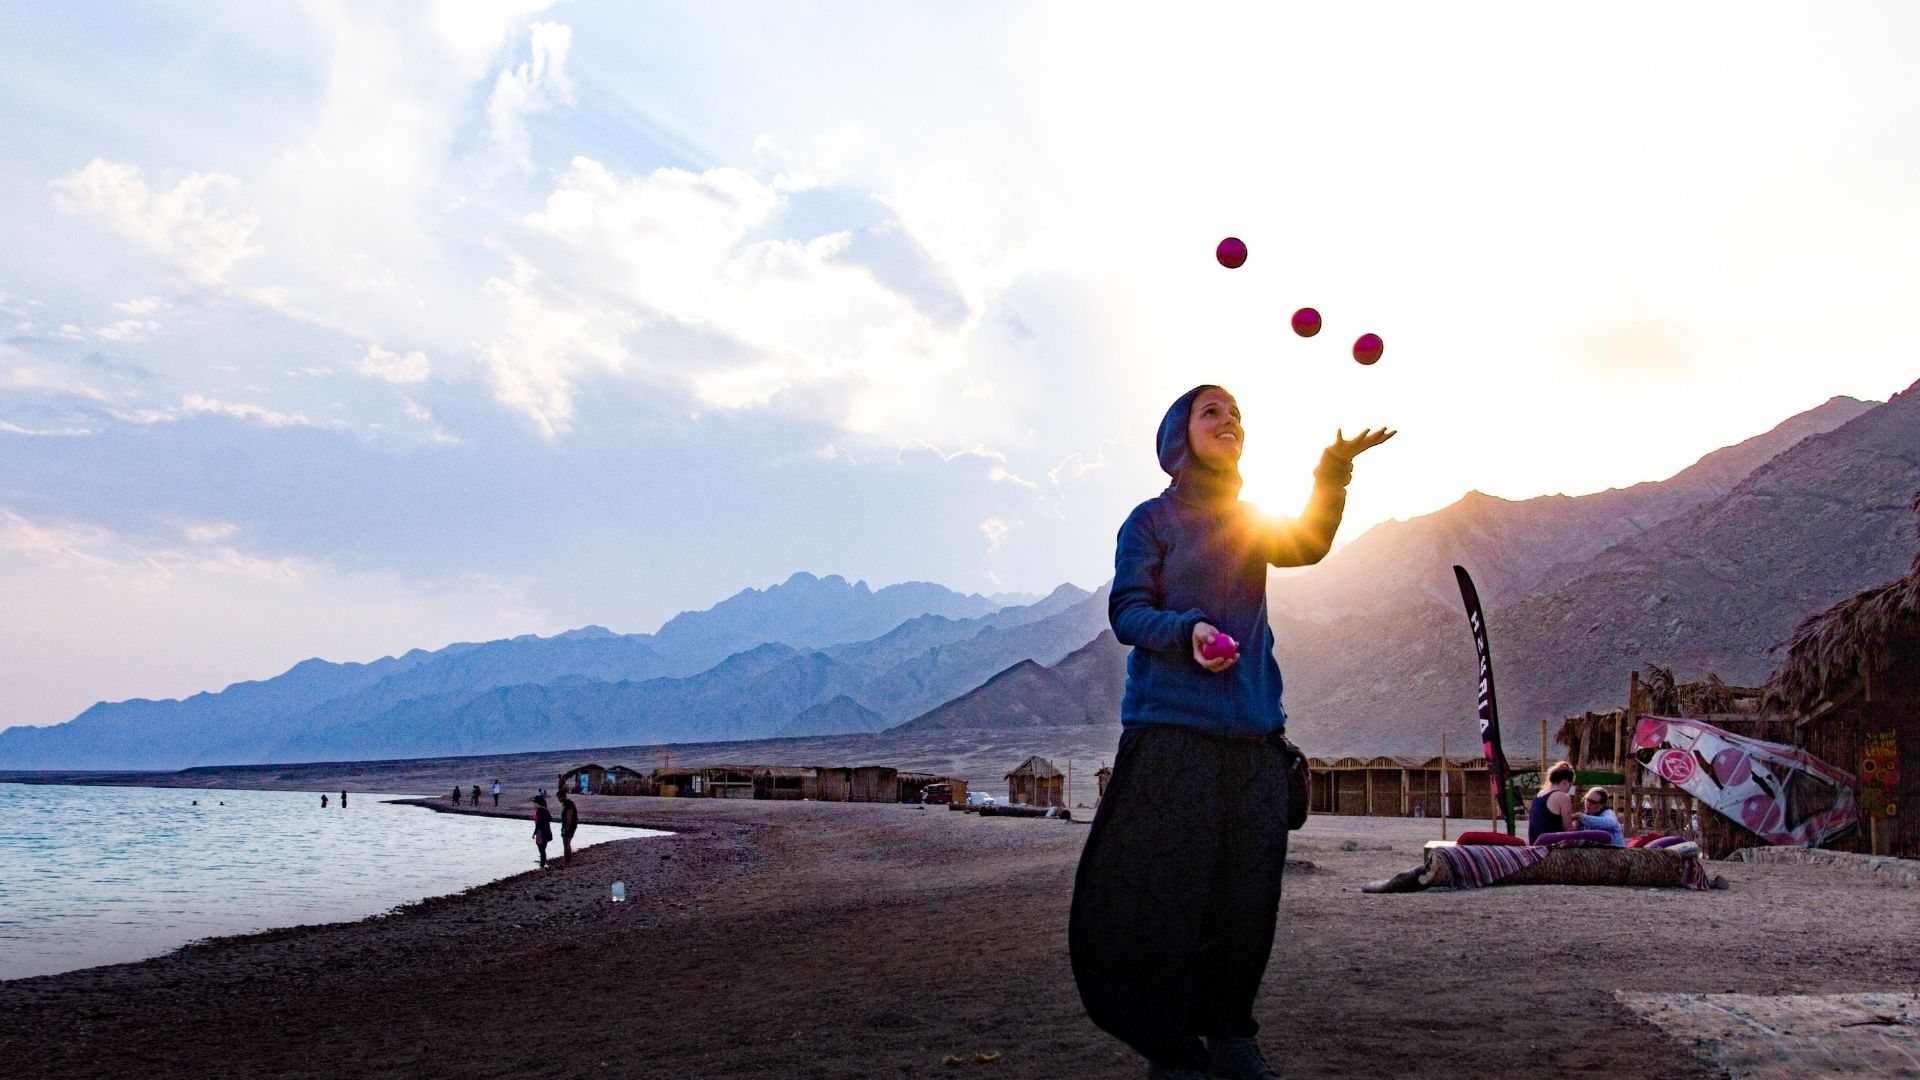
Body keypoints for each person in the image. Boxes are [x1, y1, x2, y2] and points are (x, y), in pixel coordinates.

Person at [1069, 384, 1393, 1080]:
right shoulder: (1152, 520)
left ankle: (1232, 1035)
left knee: (1248, 897)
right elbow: (1128, 611)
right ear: (1178, 436)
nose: (1229, 421)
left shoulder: (1249, 520)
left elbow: (1306, 544)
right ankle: (1171, 1045)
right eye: (1211, 411)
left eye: (1237, 414)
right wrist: (1187, 632)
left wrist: (1332, 473)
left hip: (1252, 735)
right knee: (1166, 893)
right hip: (1171, 733)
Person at [1527, 761, 1578, 843]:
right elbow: (1568, 830)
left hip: (1534, 844)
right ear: (1565, 782)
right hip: (1551, 846)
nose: (1569, 790)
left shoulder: (1538, 795)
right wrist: (1577, 823)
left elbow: (1548, 819)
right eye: (1570, 786)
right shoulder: (1562, 796)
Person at [557, 788, 579, 865]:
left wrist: (567, 826)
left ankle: (568, 862)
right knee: (565, 843)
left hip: (569, 826)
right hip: (565, 826)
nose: (558, 800)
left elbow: (569, 816)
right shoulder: (565, 803)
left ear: (563, 796)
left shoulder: (569, 803)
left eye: (559, 798)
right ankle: (566, 861)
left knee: (567, 843)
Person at [531, 794, 554, 868]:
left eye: (534, 803)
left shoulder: (540, 810)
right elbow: (550, 818)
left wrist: (534, 833)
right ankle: (542, 863)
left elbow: (538, 823)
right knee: (543, 849)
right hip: (547, 831)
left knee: (541, 849)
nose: (533, 804)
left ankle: (542, 865)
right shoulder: (545, 809)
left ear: (537, 803)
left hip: (541, 832)